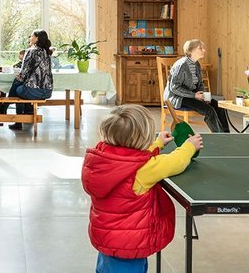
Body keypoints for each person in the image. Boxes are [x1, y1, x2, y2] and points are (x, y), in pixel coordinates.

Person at [82, 105, 203, 272]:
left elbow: (131, 157)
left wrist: (158, 143)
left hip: (109, 241)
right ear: (139, 139)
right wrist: (189, 146)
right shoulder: (143, 170)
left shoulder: (102, 158)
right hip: (130, 246)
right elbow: (174, 163)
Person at [163, 39, 230, 133]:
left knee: (218, 106)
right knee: (209, 110)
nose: (204, 50)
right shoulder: (182, 65)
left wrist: (203, 95)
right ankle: (218, 135)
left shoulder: (196, 64)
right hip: (178, 98)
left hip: (191, 95)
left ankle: (226, 135)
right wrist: (194, 95)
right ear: (190, 51)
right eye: (200, 48)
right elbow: (174, 88)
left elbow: (200, 83)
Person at [9, 30, 53, 131]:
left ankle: (16, 120)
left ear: (36, 38)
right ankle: (27, 114)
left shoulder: (30, 51)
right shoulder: (47, 52)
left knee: (17, 87)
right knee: (20, 85)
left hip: (34, 92)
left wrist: (19, 77)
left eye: (32, 36)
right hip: (47, 92)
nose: (30, 38)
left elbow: (23, 73)